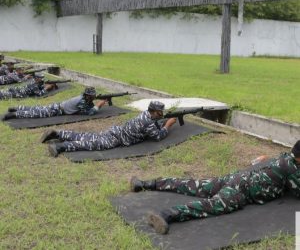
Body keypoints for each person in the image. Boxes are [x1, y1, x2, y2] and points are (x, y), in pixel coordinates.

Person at [130, 140, 300, 234]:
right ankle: (167, 214)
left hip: (236, 178)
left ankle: (145, 183)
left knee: (191, 185)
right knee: (213, 206)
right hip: (242, 190)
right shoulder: (291, 168)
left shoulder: (285, 157)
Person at [40, 100, 176, 157]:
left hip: (115, 131)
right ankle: (61, 147)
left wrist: (162, 121)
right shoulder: (149, 123)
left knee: (87, 136)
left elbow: (153, 123)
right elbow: (158, 137)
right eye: (160, 112)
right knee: (91, 144)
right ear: (154, 111)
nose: (161, 114)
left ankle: (58, 133)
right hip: (117, 139)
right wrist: (168, 125)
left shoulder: (145, 114)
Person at [2, 86, 107, 120]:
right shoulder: (82, 101)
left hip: (58, 105)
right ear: (88, 95)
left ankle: (17, 108)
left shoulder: (84, 98)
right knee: (36, 113)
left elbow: (88, 105)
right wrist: (98, 105)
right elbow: (89, 113)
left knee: (37, 108)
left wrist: (95, 103)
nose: (94, 97)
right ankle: (14, 114)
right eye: (92, 96)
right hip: (58, 109)